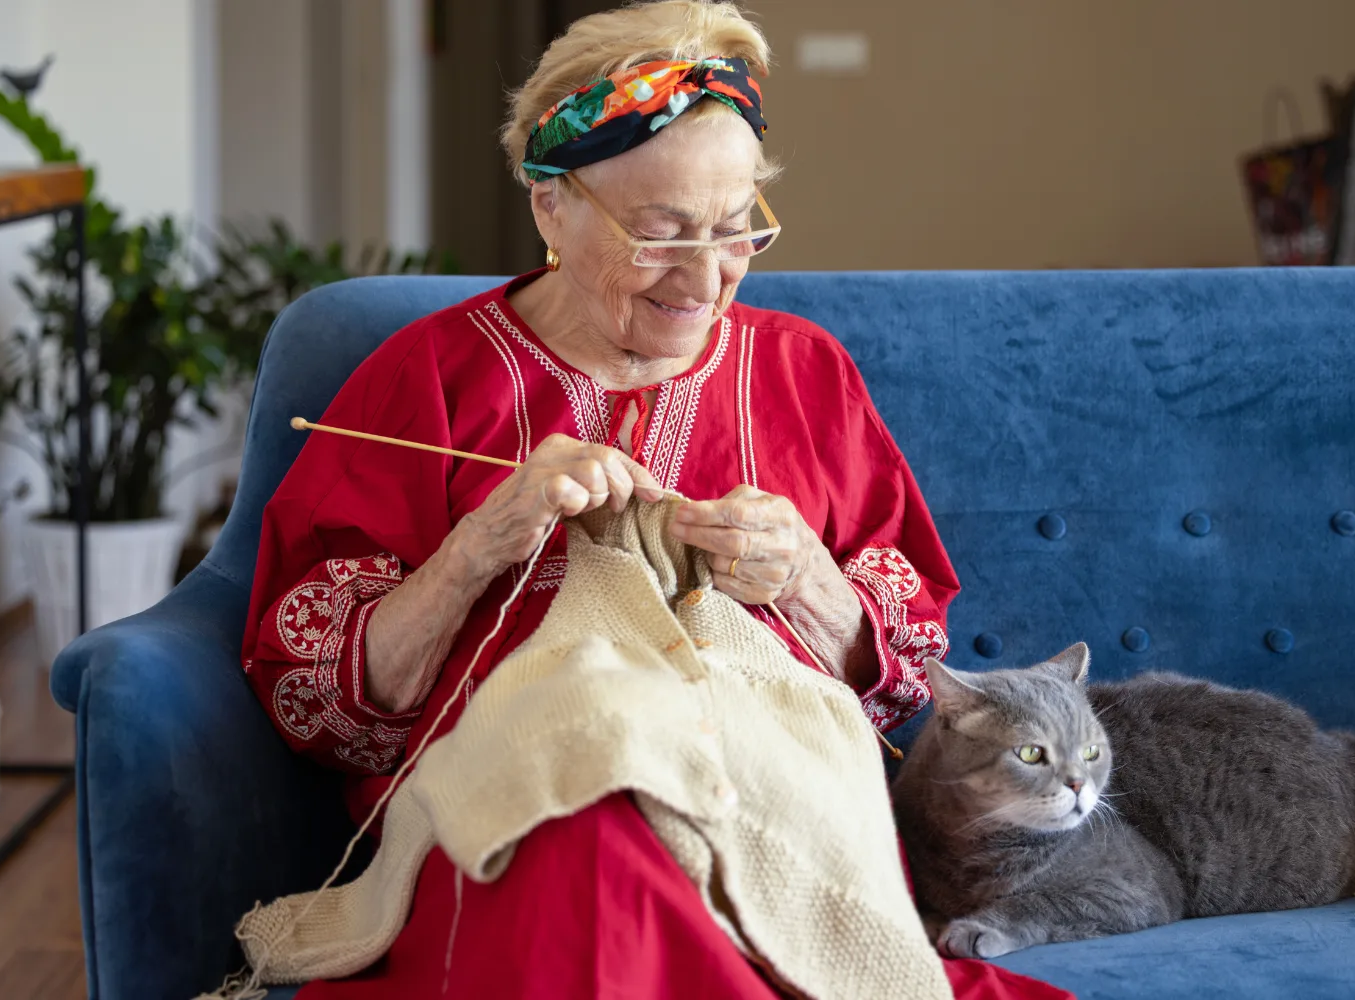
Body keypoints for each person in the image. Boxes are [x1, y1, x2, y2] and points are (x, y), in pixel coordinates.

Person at [242, 3, 1069, 997]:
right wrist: (480, 545)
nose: (705, 276)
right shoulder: (427, 378)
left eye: (736, 229)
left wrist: (811, 584)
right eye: (660, 232)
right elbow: (316, 702)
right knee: (592, 839)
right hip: (517, 798)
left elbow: (908, 686)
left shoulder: (806, 374)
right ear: (552, 203)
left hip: (766, 802)